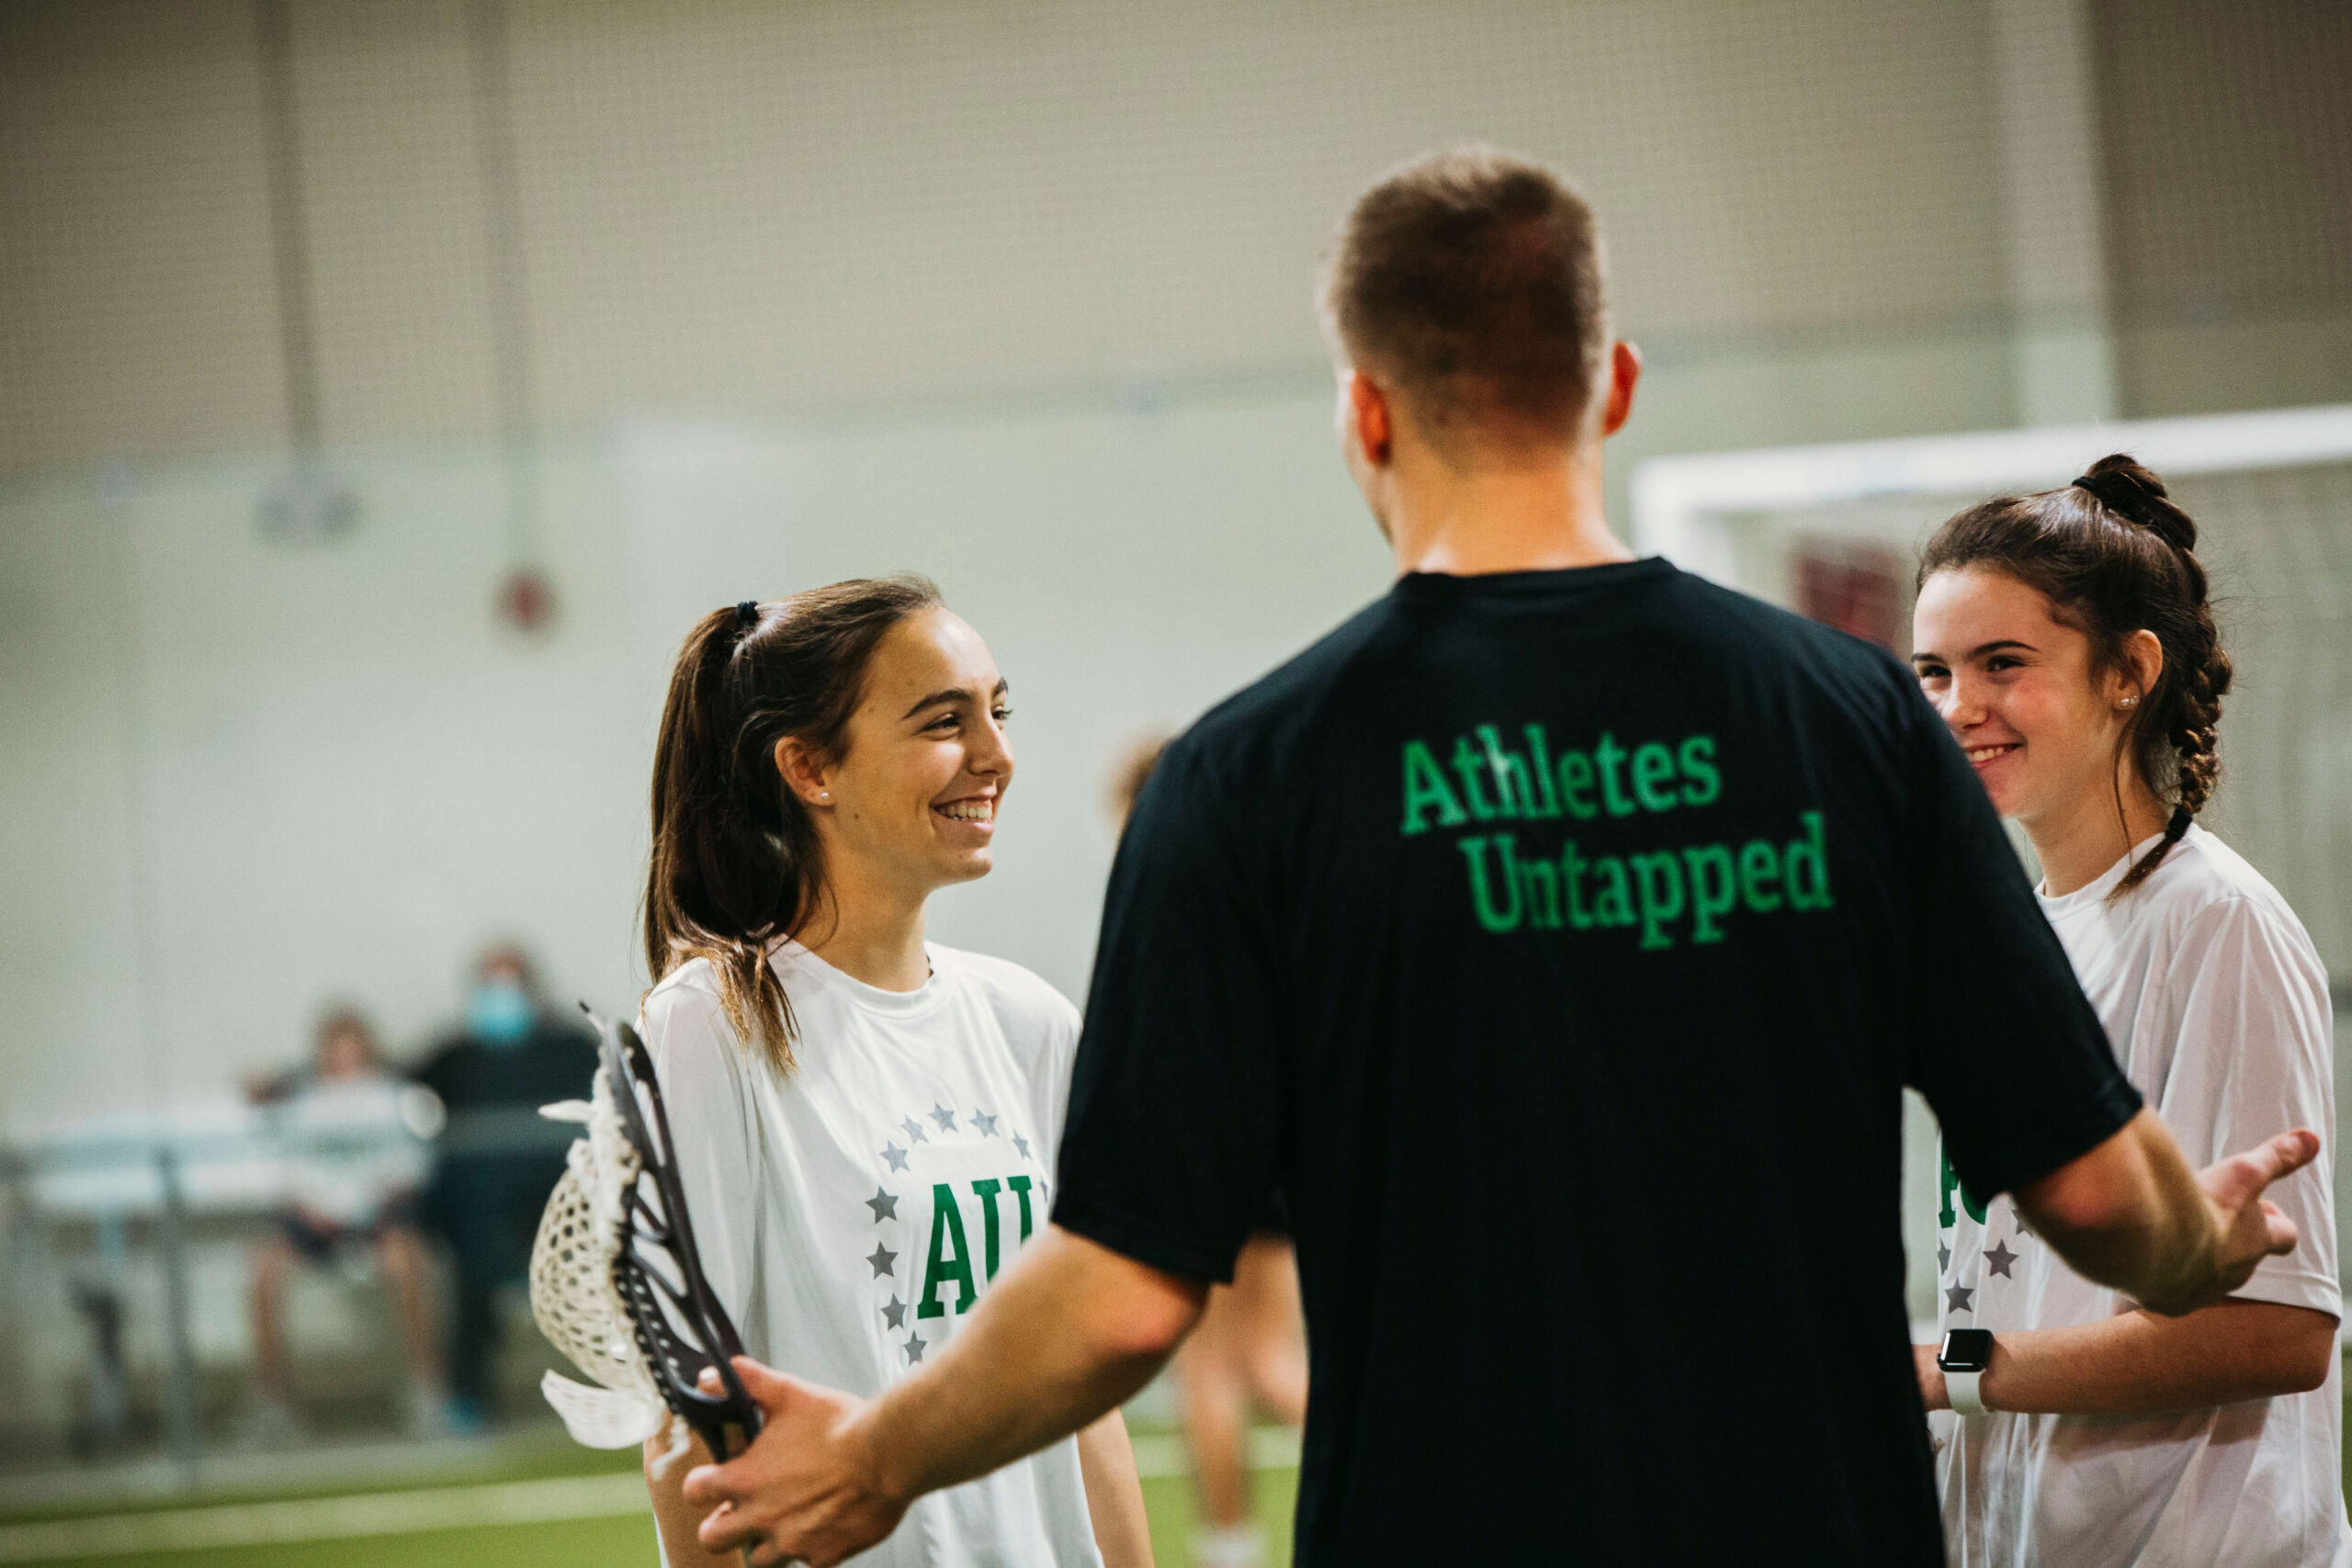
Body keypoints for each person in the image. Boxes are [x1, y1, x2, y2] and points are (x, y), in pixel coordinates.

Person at [676, 148, 2318, 1568]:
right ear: (1613, 385)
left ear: (1363, 412)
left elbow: (1118, 1289)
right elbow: (2100, 1189)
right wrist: (2207, 1243)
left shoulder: (1249, 778)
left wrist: (873, 1455)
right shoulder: (1853, 722)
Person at [635, 584, 1153, 1568]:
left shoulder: (1029, 1023)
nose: (995, 755)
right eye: (943, 721)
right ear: (808, 768)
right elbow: (687, 1425)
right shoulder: (710, 1025)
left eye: (997, 711)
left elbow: (1082, 1403)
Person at [1908, 456, 2346, 1565]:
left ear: (2127, 672)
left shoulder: (2215, 921)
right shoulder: (2017, 930)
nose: (1960, 707)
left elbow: (2282, 1332)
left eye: (2001, 663)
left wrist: (1952, 1368)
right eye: (1933, 672)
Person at [1112, 733, 1306, 1568]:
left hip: (1210, 1151)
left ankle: (1231, 1552)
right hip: (1273, 1147)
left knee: (1223, 1367)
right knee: (1263, 1361)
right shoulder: (1254, 877)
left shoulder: (1167, 889)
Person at [415, 942, 597, 1431]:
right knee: (470, 1284)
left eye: (509, 985)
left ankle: (617, 1392)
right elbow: (387, 1086)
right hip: (478, 1219)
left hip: (563, 1209)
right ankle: (468, 1401)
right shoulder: (454, 1058)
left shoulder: (571, 1048)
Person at [243, 1006, 445, 1443]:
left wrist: (375, 1201)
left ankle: (429, 1392)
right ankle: (274, 1402)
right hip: (315, 1218)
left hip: (378, 1217)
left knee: (407, 1262)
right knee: (262, 1269)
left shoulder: (396, 1098)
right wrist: (314, 1207)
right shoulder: (302, 1103)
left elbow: (411, 1167)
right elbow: (285, 1168)